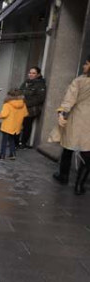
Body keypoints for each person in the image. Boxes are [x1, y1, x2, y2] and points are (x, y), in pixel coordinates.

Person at [52, 56, 90, 194]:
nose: (84, 66)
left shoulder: (79, 81)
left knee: (68, 148)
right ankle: (79, 186)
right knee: (87, 152)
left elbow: (69, 100)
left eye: (86, 64)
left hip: (78, 118)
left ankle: (63, 176)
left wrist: (62, 112)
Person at [18, 66, 47, 149]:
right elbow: (19, 92)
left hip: (31, 110)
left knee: (27, 126)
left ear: (38, 74)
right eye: (30, 73)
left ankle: (23, 143)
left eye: (33, 73)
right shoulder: (26, 82)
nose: (31, 74)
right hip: (21, 107)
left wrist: (25, 103)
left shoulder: (40, 84)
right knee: (18, 125)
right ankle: (16, 142)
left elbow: (40, 98)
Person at [0, 89, 27, 160]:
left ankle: (2, 155)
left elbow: (4, 114)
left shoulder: (7, 104)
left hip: (7, 126)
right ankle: (13, 154)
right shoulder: (23, 104)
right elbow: (25, 114)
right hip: (16, 126)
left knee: (4, 141)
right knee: (12, 139)